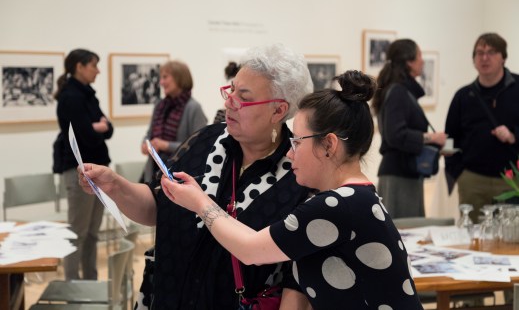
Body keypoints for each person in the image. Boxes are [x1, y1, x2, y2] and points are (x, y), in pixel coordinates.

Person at [79, 43, 314, 309]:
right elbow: (158, 203)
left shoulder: (298, 173)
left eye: (244, 97)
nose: (229, 102)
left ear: (279, 110)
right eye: (231, 89)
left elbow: (297, 278)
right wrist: (116, 186)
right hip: (167, 297)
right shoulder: (205, 141)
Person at [164, 70, 423, 309]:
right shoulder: (355, 198)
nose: (290, 153)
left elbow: (250, 249)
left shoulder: (338, 205)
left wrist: (200, 202)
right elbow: (260, 245)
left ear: (329, 145)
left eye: (297, 142)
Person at [445, 33, 519, 222]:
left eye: (491, 52)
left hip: (512, 180)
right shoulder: (463, 96)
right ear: (474, 60)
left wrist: (513, 136)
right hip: (472, 180)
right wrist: (459, 173)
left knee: (510, 239)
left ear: (503, 57)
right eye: (479, 53)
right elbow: (449, 139)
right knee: (474, 239)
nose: (484, 58)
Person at [54, 49, 114, 280]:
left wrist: (99, 127)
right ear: (80, 66)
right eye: (94, 65)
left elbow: (109, 128)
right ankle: (72, 284)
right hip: (79, 170)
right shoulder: (70, 97)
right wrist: (97, 128)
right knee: (77, 233)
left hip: (97, 168)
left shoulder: (88, 94)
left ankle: (90, 284)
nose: (98, 70)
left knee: (91, 233)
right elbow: (85, 135)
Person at [372, 39, 447, 218]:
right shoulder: (398, 91)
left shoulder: (398, 90)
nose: (422, 60)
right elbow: (395, 134)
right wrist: (431, 138)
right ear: (409, 62)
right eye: (419, 56)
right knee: (406, 233)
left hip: (404, 173)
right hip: (399, 176)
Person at [140, 60, 208, 183]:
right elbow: (149, 134)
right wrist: (145, 144)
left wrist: (165, 145)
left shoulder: (193, 107)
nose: (161, 82)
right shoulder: (160, 105)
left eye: (165, 77)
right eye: (160, 78)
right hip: (153, 173)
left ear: (179, 78)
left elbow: (200, 145)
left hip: (179, 177)